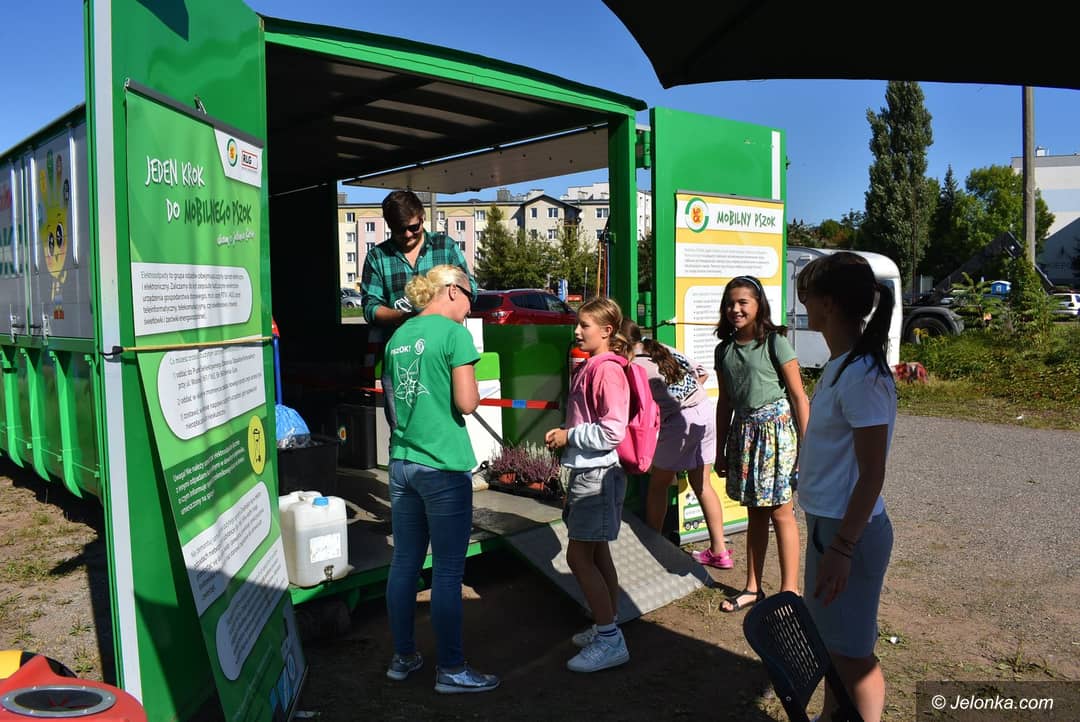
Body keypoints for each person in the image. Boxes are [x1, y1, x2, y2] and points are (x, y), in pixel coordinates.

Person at [382, 265, 499, 694]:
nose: (471, 307)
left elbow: (392, 406)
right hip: (443, 466)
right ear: (451, 290)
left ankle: (403, 657)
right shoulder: (454, 336)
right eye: (470, 296)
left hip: (402, 463)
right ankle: (451, 669)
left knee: (404, 563)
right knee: (448, 572)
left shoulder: (397, 337)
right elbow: (467, 403)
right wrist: (475, 391)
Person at [796, 253, 896, 722]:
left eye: (807, 295)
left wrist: (842, 547)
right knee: (832, 643)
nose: (802, 304)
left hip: (847, 533)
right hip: (831, 527)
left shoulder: (862, 376)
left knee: (854, 655)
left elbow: (873, 473)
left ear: (829, 304)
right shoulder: (843, 364)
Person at [544, 297, 632, 673]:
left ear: (607, 331)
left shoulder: (606, 370)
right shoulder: (594, 365)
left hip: (597, 476)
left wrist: (569, 436)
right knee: (597, 554)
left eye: (584, 325)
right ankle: (606, 624)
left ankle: (610, 639)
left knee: (578, 558)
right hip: (591, 473)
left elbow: (613, 430)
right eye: (577, 324)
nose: (577, 331)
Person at [713, 276, 809, 613]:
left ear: (758, 305)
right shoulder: (724, 350)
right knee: (755, 512)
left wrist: (807, 446)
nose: (735, 309)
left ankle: (789, 592)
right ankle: (753, 588)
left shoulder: (775, 342)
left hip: (776, 434)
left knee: (781, 512)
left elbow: (799, 397)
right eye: (730, 303)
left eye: (743, 302)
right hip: (744, 434)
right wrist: (719, 450)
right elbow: (725, 402)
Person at [361, 190, 477, 431]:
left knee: (446, 425)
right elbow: (370, 308)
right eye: (399, 229)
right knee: (402, 430)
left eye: (413, 227)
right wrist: (404, 317)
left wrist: (436, 314)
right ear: (389, 226)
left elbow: (470, 290)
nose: (407, 234)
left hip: (444, 354)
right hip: (401, 360)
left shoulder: (445, 246)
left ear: (423, 217)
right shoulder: (377, 257)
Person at [620, 320, 731, 569]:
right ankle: (719, 551)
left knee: (658, 486)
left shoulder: (634, 366)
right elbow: (701, 373)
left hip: (678, 424)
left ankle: (653, 547)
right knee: (702, 484)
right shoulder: (660, 347)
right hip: (704, 412)